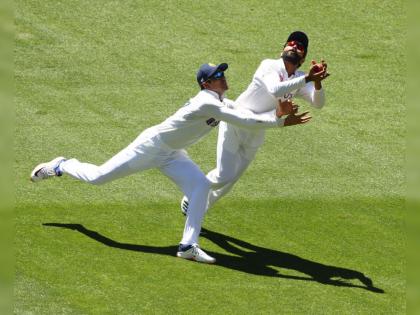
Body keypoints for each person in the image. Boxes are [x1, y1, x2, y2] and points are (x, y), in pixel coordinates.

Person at [30, 62, 315, 264]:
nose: (223, 77)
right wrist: (279, 122)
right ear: (207, 83)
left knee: (201, 187)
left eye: (222, 73)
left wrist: (279, 114)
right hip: (151, 147)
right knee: (98, 177)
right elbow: (244, 119)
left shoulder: (221, 101)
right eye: (218, 75)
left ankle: (188, 245)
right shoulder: (207, 101)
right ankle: (62, 164)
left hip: (173, 153)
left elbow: (242, 112)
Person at [181, 31, 330, 215]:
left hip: (258, 130)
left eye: (300, 47)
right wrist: (308, 78)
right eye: (291, 43)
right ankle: (193, 193)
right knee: (223, 175)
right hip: (237, 121)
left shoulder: (297, 79)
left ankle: (197, 211)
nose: (294, 47)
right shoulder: (270, 65)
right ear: (283, 48)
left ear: (303, 56)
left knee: (229, 183)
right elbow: (275, 89)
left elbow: (318, 103)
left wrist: (317, 83)